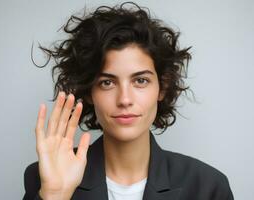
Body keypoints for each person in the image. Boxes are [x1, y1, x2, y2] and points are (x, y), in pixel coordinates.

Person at [23, 2, 234, 200]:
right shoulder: (43, 177)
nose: (124, 99)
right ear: (89, 91)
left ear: (162, 87)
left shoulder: (207, 186)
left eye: (140, 81)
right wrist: (54, 195)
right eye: (107, 82)